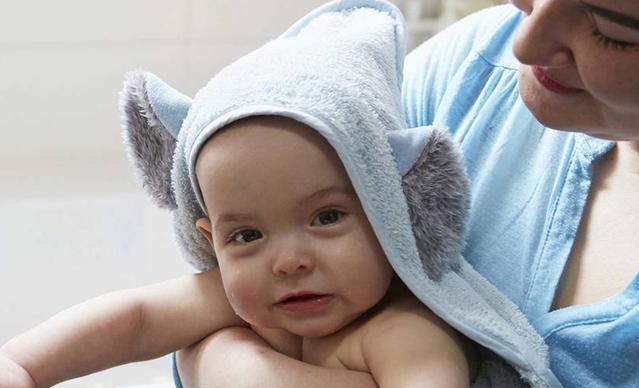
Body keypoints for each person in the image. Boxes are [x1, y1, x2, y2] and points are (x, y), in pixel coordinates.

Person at [1, 2, 497, 387]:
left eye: (326, 217)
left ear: (393, 213)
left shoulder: (404, 333)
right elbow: (137, 319)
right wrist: (22, 365)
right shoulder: (251, 296)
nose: (288, 261)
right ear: (212, 239)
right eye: (247, 234)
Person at [175, 0, 639, 387]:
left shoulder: (408, 339)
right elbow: (174, 313)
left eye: (610, 31)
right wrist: (220, 362)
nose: (526, 42)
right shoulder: (472, 68)